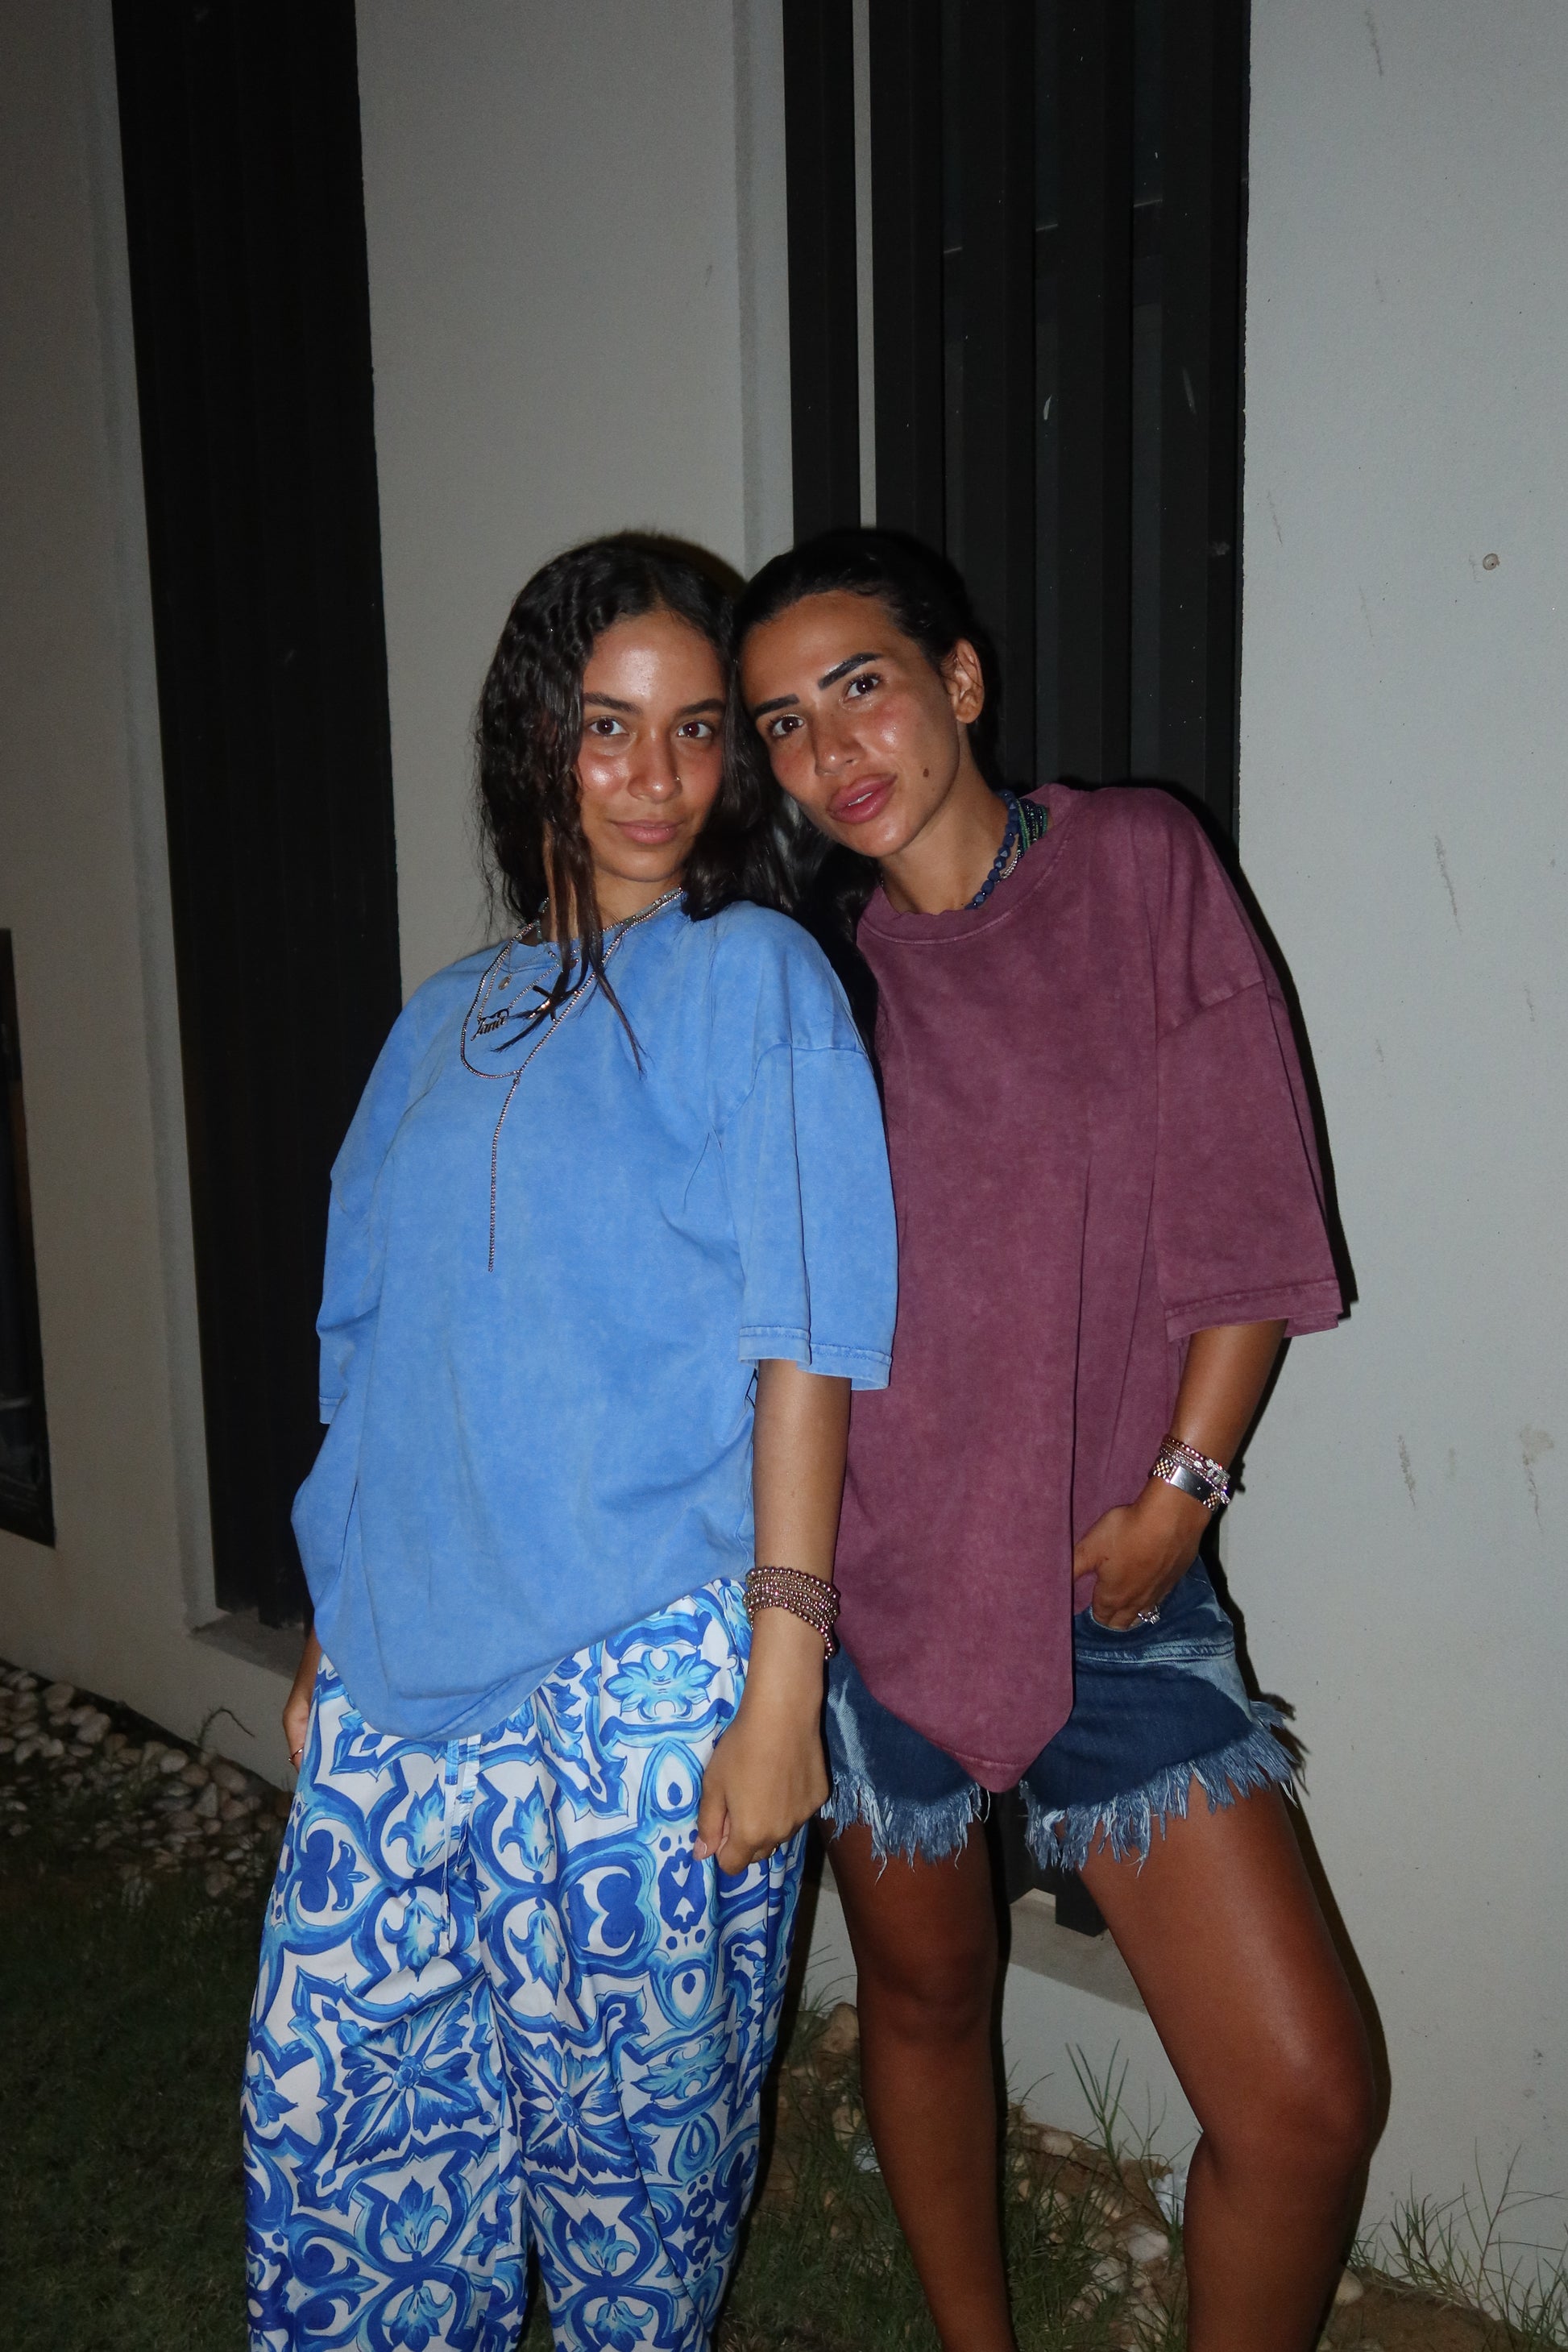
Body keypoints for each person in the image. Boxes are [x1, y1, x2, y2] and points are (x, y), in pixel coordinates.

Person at [243, 535, 897, 2352]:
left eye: (696, 731)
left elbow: (808, 1335)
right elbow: (375, 1354)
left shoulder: (754, 976)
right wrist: (331, 1623)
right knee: (344, 2161)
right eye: (608, 726)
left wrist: (782, 1678)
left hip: (642, 1696)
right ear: (536, 739)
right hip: (399, 1692)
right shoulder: (435, 1024)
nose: (655, 776)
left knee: (630, 2213)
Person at [733, 529, 1378, 2352]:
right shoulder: (810, 977)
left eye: (861, 685)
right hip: (877, 1588)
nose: (828, 748)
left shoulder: (1133, 866)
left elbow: (1245, 1206)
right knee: (929, 1997)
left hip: (1113, 1578)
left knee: (1305, 2099)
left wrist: (1185, 1488)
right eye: (780, 723)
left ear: (960, 680)